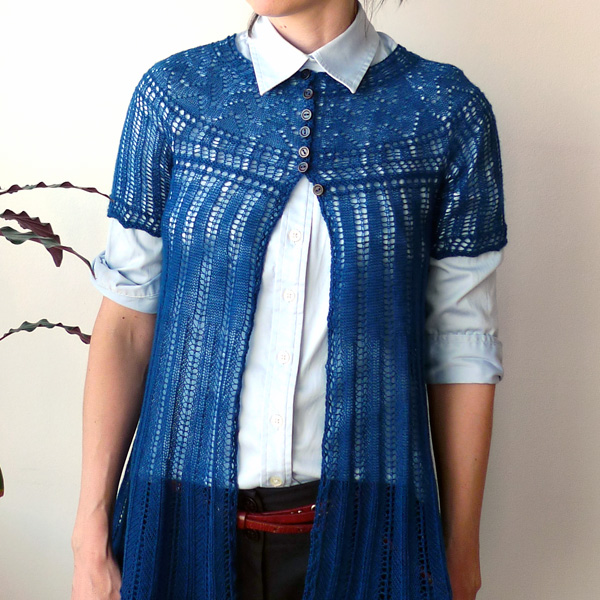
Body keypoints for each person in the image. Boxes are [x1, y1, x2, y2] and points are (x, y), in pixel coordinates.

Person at [71, 0, 507, 599]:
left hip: (372, 536)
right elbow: (126, 321)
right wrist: (89, 533)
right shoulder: (175, 96)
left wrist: (460, 547)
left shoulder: (445, 112)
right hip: (175, 524)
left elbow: (460, 346)